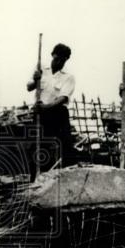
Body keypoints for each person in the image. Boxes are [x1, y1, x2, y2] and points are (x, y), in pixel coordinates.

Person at [27, 43, 75, 176]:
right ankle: (36, 179)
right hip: (41, 114)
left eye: (63, 60)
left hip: (58, 113)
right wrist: (35, 79)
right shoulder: (41, 70)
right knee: (38, 146)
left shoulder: (68, 77)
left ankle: (68, 176)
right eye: (58, 58)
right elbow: (29, 87)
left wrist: (46, 107)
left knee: (66, 146)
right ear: (53, 55)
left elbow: (62, 98)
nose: (60, 62)